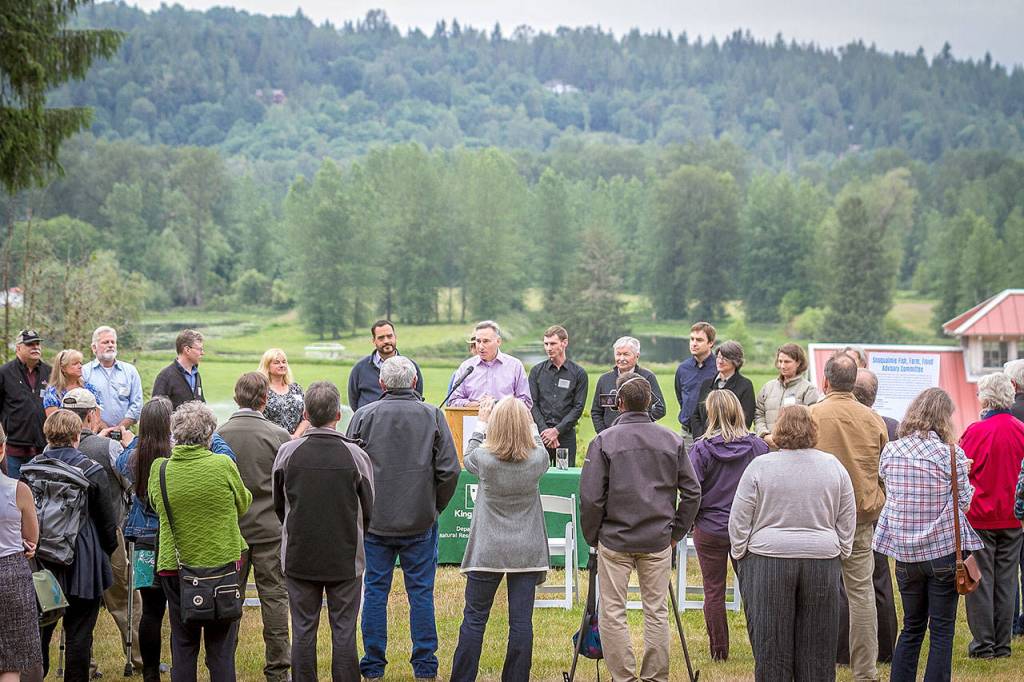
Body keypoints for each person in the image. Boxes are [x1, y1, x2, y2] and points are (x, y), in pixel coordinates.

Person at [580, 373, 701, 682]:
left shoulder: (604, 440)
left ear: (619, 404)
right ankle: (654, 677)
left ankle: (623, 677)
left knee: (613, 611)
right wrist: (675, 532)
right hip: (655, 538)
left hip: (619, 538)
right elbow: (692, 492)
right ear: (650, 402)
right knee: (656, 611)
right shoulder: (671, 439)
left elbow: (591, 498)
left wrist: (593, 535)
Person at [346, 356, 460, 681]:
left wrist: (362, 507)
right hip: (420, 520)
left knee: (375, 591)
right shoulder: (432, 415)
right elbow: (450, 469)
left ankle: (372, 667)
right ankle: (425, 668)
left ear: (382, 384)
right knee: (421, 593)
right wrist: (434, 506)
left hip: (375, 521)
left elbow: (350, 468)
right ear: (413, 382)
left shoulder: (363, 416)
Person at [729, 406, 857, 681]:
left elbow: (740, 517)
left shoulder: (760, 466)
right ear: (814, 430)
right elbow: (847, 515)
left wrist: (741, 553)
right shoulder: (833, 465)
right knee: (818, 647)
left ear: (778, 429)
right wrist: (842, 549)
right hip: (822, 558)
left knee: (771, 644)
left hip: (768, 558)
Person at [873, 388, 983, 681]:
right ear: (943, 418)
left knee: (911, 626)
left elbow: (888, 483)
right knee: (942, 630)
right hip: (942, 550)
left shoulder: (892, 450)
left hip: (905, 553)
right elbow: (964, 503)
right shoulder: (951, 454)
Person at [273, 381, 374, 681]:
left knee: (303, 627)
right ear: (338, 415)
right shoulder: (356, 456)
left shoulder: (287, 453)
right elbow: (369, 507)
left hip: (299, 552)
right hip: (344, 554)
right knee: (344, 630)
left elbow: (280, 504)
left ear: (305, 413)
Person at [147, 401, 251, 682]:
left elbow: (157, 506)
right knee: (221, 647)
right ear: (209, 435)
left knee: (183, 642)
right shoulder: (223, 464)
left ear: (175, 434)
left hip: (176, 566)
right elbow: (243, 503)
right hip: (223, 563)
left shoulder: (160, 470)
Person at [450, 397, 549, 682]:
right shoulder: (538, 460)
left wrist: (481, 422)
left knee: (474, 618)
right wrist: (529, 421)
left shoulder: (484, 459)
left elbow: (467, 454)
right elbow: (539, 445)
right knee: (521, 623)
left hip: (488, 548)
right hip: (526, 549)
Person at [810, 351, 888, 681]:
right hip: (860, 516)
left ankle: (817, 666)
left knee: (816, 596)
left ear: (825, 381)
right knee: (861, 596)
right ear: (854, 383)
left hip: (819, 516)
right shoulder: (873, 420)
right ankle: (865, 672)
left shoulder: (812, 415)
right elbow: (883, 468)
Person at [59, 388, 142, 673]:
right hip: (108, 530)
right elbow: (130, 483)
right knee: (125, 597)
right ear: (93, 414)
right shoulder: (106, 446)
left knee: (77, 602)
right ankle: (139, 659)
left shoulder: (49, 450)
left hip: (65, 537)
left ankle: (86, 664)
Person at [31, 409, 118, 681]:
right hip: (84, 555)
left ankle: (36, 675)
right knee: (80, 633)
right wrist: (108, 550)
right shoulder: (92, 470)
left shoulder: (33, 467)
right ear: (77, 435)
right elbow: (107, 521)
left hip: (43, 557)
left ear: (48, 434)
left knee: (40, 630)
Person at [217, 372, 292, 682]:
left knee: (227, 597)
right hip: (271, 528)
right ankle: (278, 669)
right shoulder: (278, 435)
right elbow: (288, 486)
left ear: (237, 397)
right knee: (274, 597)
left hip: (232, 531)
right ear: (265, 399)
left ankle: (223, 664)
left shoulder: (219, 435)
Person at [688, 390, 768, 660]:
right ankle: (762, 648)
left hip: (710, 527)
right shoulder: (758, 447)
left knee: (713, 590)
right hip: (746, 528)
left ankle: (719, 651)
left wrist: (690, 520)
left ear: (711, 414)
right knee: (753, 591)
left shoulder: (700, 449)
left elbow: (692, 490)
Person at [960, 372, 1024, 659]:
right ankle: (1003, 643)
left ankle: (984, 645)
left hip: (982, 517)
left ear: (986, 398)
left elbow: (963, 471)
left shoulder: (975, 431)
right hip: (1013, 517)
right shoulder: (1021, 429)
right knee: (1008, 579)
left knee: (981, 581)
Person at [841, 368, 899, 666]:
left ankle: (843, 650)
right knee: (878, 579)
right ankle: (886, 647)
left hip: (845, 509)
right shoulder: (889, 424)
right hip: (875, 508)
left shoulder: (839, 418)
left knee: (846, 583)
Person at [116, 397, 174, 682]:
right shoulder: (175, 455)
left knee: (150, 610)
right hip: (173, 538)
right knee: (177, 609)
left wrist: (134, 440)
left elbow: (118, 463)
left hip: (143, 540)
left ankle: (150, 673)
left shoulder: (132, 456)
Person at [0, 423, 43, 679]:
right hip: (11, 572)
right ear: (3, 449)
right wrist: (26, 545)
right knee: (11, 664)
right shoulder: (18, 490)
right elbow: (31, 536)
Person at [528, 325, 588, 466]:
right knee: (540, 476)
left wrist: (556, 431)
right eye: (546, 344)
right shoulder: (536, 371)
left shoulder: (579, 374)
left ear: (564, 343)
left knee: (564, 477)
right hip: (540, 436)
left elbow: (578, 408)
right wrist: (545, 431)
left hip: (565, 437)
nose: (549, 348)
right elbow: (532, 404)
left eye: (553, 343)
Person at [0, 330, 51, 480]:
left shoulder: (49, 372)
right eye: (30, 344)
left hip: (43, 449)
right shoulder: (4, 372)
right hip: (14, 451)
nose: (35, 347)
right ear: (18, 348)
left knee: (41, 497)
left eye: (37, 344)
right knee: (14, 495)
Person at [447, 321, 532, 408]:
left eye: (486, 341)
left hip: (505, 420)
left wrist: (497, 404)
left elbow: (526, 401)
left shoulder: (515, 366)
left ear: (498, 341)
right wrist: (472, 405)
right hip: (473, 419)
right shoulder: (466, 367)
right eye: (478, 341)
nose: (480, 346)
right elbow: (453, 401)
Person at [591, 336, 666, 433]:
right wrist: (603, 434)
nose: (621, 358)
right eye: (618, 354)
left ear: (637, 356)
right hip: (610, 438)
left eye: (626, 354)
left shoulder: (647, 377)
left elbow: (660, 408)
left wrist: (642, 423)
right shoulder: (604, 379)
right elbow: (596, 412)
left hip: (639, 436)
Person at [348, 320, 424, 412]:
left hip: (403, 422)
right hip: (370, 423)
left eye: (389, 336)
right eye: (381, 338)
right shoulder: (359, 368)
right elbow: (353, 400)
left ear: (395, 337)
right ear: (373, 341)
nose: (386, 341)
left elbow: (417, 397)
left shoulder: (410, 367)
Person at [753, 343, 819, 444]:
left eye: (787, 362)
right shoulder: (767, 387)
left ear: (799, 363)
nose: (782, 366)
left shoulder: (809, 390)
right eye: (780, 361)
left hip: (794, 450)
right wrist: (764, 435)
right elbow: (758, 414)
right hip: (767, 449)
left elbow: (812, 421)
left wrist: (789, 441)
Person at [82, 325, 144, 429]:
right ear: (94, 347)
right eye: (106, 342)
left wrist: (120, 428)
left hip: (124, 434)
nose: (110, 345)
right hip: (95, 435)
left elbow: (137, 405)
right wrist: (103, 428)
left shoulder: (130, 371)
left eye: (113, 342)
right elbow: (83, 405)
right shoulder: (85, 372)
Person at [691, 340, 755, 438]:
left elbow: (746, 420)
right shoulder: (706, 384)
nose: (720, 361)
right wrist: (702, 438)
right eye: (719, 357)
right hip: (704, 442)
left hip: (731, 445)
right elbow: (696, 416)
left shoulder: (745, 385)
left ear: (736, 361)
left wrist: (724, 442)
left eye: (725, 358)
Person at [674, 322, 718, 451]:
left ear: (710, 343)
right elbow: (681, 398)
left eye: (699, 340)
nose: (694, 343)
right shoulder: (683, 368)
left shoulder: (719, 368)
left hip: (712, 434)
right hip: (687, 434)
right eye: (692, 339)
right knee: (685, 471)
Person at [258, 348, 309, 437]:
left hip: (297, 442)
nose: (282, 365)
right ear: (267, 367)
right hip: (271, 442)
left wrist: (295, 436)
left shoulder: (296, 388)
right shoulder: (261, 390)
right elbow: (259, 420)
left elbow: (307, 416)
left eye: (284, 362)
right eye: (276, 363)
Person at [151, 330, 205, 409]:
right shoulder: (165, 376)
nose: (202, 353)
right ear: (187, 350)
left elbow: (202, 404)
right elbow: (157, 412)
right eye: (200, 349)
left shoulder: (196, 374)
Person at [43, 349, 102, 417]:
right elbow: (54, 423)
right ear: (63, 368)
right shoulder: (52, 393)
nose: (80, 366)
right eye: (75, 364)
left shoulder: (90, 389)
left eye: (80, 363)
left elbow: (97, 420)